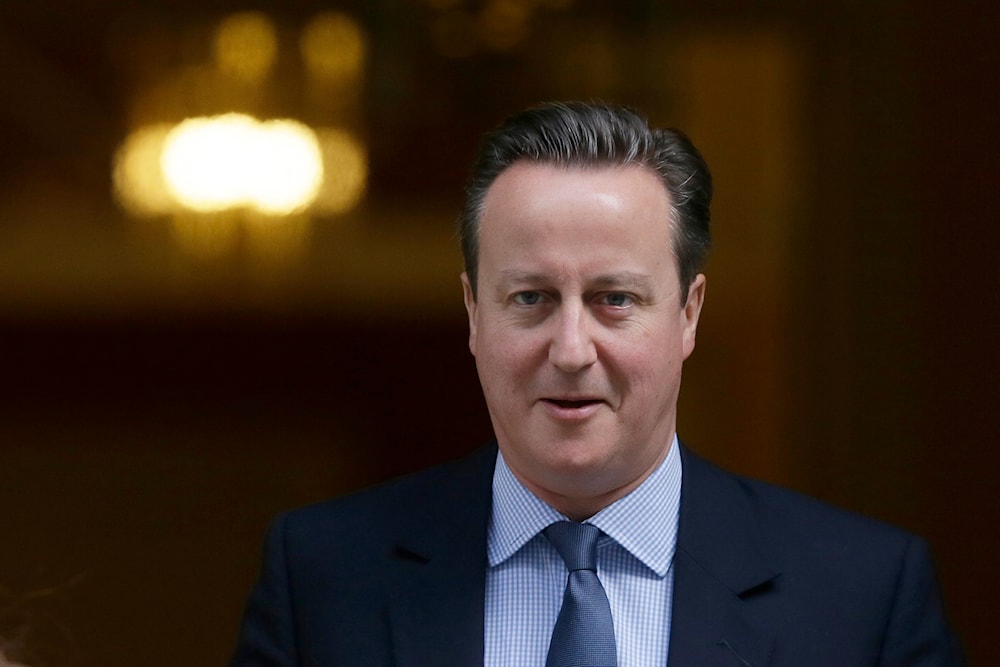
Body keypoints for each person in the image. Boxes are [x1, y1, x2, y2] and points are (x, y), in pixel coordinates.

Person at [229, 102, 964, 666]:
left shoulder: (862, 594)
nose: (573, 349)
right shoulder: (324, 578)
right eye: (531, 299)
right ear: (472, 315)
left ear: (687, 313)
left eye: (615, 298)